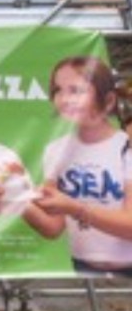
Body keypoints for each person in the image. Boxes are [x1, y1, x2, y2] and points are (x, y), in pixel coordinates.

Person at [22, 55, 132, 276]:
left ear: (108, 100)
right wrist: (15, 198)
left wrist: (75, 208)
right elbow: (53, 227)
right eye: (57, 90)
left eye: (75, 90)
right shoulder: (56, 150)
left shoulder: (126, 147)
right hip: (83, 270)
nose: (64, 99)